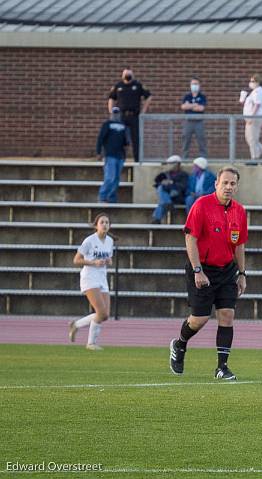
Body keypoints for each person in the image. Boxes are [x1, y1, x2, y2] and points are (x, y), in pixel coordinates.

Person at [170, 166, 248, 381]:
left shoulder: (239, 211)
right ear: (216, 184)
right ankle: (180, 343)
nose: (229, 187)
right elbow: (190, 238)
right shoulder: (201, 205)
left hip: (227, 271)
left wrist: (242, 274)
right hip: (202, 268)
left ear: (237, 186)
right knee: (200, 319)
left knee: (227, 315)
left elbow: (239, 245)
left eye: (233, 183)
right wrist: (197, 270)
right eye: (225, 183)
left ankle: (222, 367)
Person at [68, 214, 114, 351]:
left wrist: (108, 261)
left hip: (102, 278)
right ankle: (91, 343)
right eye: (102, 222)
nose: (105, 224)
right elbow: (76, 260)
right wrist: (93, 262)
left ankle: (76, 324)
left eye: (107, 222)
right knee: (101, 312)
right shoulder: (89, 241)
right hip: (90, 278)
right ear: (96, 225)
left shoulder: (110, 241)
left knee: (105, 315)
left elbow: (109, 258)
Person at [108, 68, 152, 161]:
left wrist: (143, 110)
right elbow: (111, 98)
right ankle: (120, 158)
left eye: (129, 74)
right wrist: (111, 112)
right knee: (119, 138)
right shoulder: (118, 86)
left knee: (136, 139)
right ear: (122, 75)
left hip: (134, 116)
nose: (127, 76)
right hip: (121, 116)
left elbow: (149, 96)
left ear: (133, 75)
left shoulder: (138, 85)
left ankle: (137, 160)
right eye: (126, 74)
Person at [96, 106, 130, 203]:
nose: (116, 115)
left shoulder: (124, 126)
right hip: (110, 155)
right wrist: (99, 152)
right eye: (114, 113)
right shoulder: (107, 124)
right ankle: (102, 196)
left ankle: (112, 197)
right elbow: (100, 138)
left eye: (117, 113)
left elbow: (126, 142)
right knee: (110, 177)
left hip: (120, 156)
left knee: (116, 178)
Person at [151, 155, 189, 224]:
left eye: (171, 163)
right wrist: (163, 183)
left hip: (177, 196)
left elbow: (182, 187)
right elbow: (157, 182)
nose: (169, 165)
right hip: (167, 195)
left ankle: (157, 218)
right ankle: (168, 203)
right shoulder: (166, 174)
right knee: (160, 188)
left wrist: (170, 183)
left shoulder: (183, 174)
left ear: (177, 164)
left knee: (163, 200)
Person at [239, 74, 262, 161]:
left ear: (258, 82)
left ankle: (255, 158)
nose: (250, 83)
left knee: (252, 139)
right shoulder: (254, 92)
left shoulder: (258, 91)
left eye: (252, 81)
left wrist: (251, 117)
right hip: (252, 118)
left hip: (255, 118)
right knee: (251, 138)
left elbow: (257, 105)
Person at [180, 77, 208, 159]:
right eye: (193, 84)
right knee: (186, 140)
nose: (194, 86)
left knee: (201, 140)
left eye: (196, 84)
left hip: (199, 121)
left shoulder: (202, 96)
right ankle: (184, 158)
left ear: (199, 85)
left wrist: (189, 105)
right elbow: (183, 107)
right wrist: (194, 105)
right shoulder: (187, 96)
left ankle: (203, 158)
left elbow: (201, 108)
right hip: (188, 121)